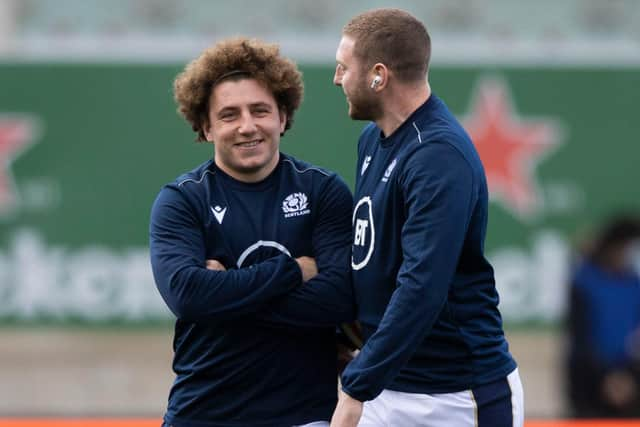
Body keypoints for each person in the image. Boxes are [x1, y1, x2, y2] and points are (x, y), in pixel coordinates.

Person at [330, 8, 524, 427]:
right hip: (388, 385)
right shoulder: (372, 140)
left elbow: (422, 285)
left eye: (344, 67)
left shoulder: (437, 154)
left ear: (378, 75)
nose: (336, 78)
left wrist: (356, 386)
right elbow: (373, 260)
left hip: (457, 397)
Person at [149, 37, 356, 427]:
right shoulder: (181, 201)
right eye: (229, 115)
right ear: (206, 126)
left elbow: (340, 297)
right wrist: (294, 272)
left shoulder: (323, 191)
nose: (247, 126)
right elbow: (189, 296)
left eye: (260, 110)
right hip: (202, 413)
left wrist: (227, 295)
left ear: (282, 117)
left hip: (306, 416)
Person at [566, 215, 640, 418]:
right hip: (590, 385)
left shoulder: (634, 284)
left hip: (631, 385)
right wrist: (606, 378)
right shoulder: (585, 282)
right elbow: (580, 339)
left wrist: (630, 377)